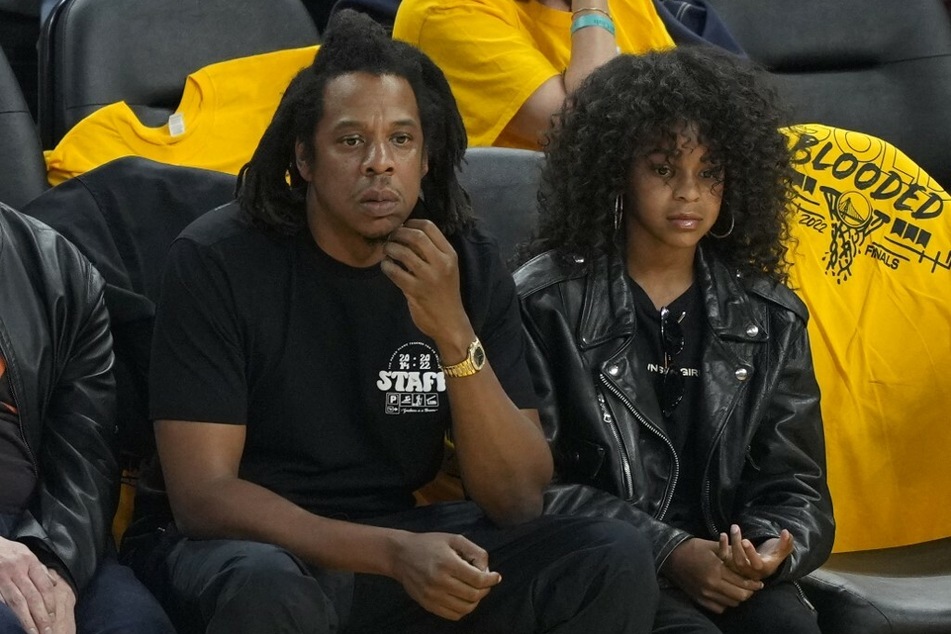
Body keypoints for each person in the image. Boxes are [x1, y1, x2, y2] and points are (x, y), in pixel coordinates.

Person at [137, 10, 657, 633]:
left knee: (607, 557)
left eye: (402, 140)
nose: (379, 163)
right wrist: (388, 553)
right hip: (240, 550)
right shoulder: (218, 259)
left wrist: (453, 332)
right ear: (304, 157)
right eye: (351, 141)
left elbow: (516, 499)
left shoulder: (462, 261)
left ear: (426, 158)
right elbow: (203, 498)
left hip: (392, 538)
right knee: (268, 591)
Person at [515, 47, 835, 633]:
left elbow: (796, 485)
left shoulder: (772, 316)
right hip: (609, 562)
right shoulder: (544, 301)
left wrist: (764, 551)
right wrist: (671, 551)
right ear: (616, 171)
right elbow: (533, 489)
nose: (689, 193)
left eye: (709, 172)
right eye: (664, 169)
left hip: (726, 563)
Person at [0, 202, 174, 634]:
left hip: (38, 525)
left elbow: (86, 452)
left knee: (137, 626)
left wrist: (57, 560)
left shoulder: (58, 268)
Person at [393, 0, 674, 149]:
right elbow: (592, 126)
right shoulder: (443, 9)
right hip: (521, 231)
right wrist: (592, 6)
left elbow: (684, 107)